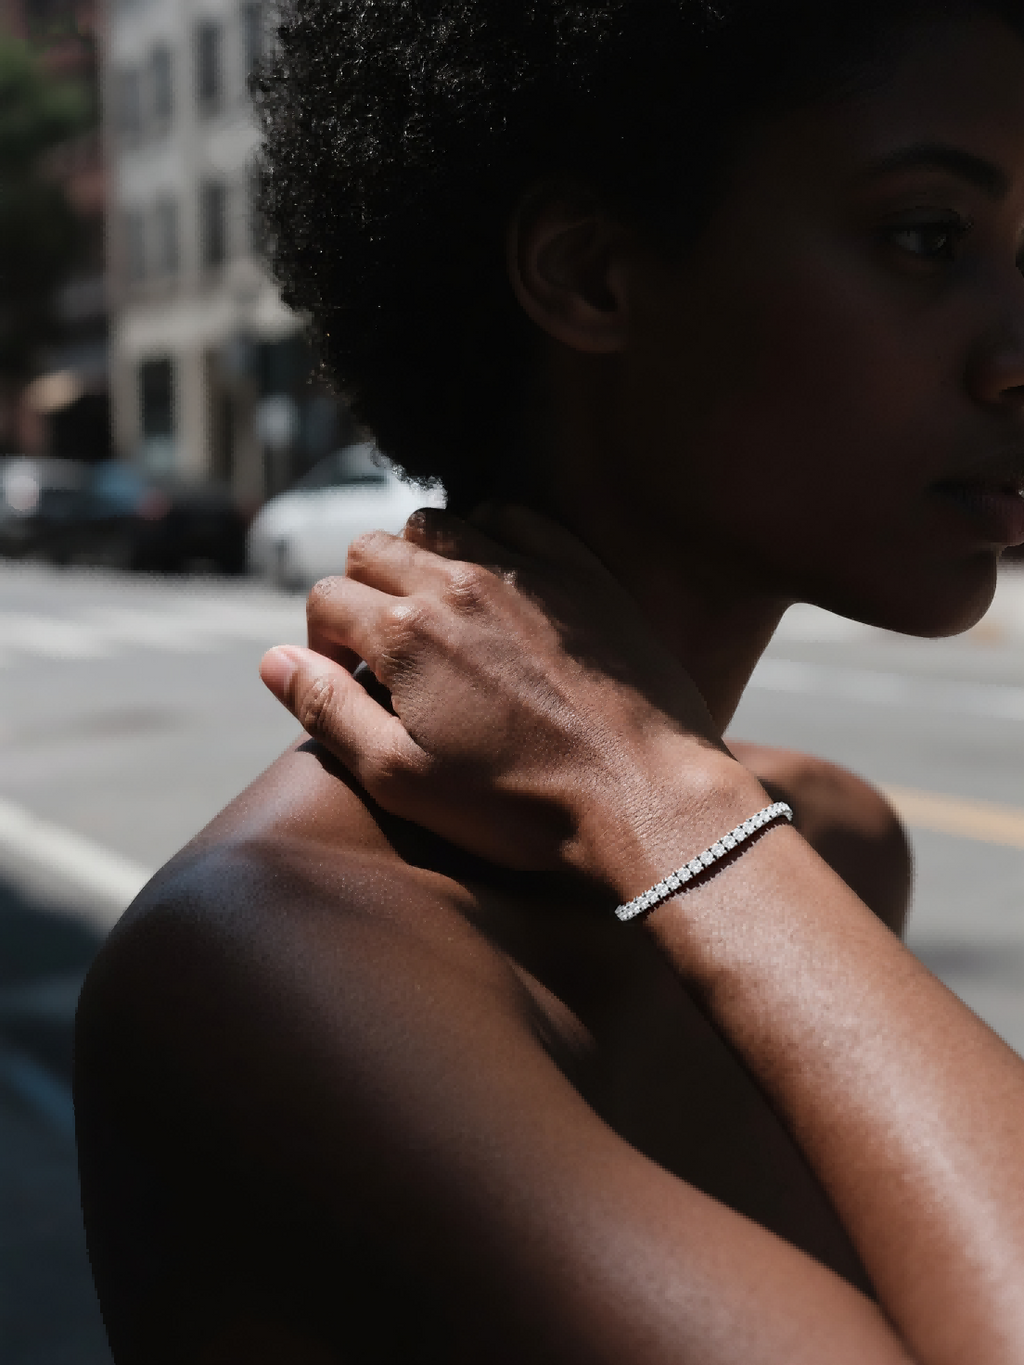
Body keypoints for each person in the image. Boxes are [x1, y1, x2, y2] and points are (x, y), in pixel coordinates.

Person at [74, 1, 1024, 1360]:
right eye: (930, 238)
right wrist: (663, 797)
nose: (1014, 348)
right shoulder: (273, 966)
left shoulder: (827, 847)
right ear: (591, 276)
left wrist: (659, 792)